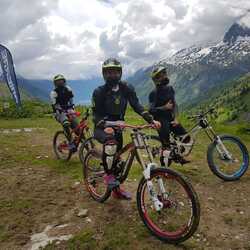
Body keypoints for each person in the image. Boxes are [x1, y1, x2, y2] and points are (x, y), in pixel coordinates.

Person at [92, 58, 160, 200]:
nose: (112, 75)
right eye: (109, 72)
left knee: (117, 159)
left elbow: (137, 106)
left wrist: (151, 119)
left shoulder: (126, 88)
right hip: (102, 128)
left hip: (119, 128)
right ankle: (108, 176)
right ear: (104, 74)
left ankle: (116, 190)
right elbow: (96, 115)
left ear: (120, 73)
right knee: (111, 145)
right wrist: (104, 126)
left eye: (115, 72)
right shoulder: (99, 92)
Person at [148, 64, 190, 166]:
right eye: (161, 75)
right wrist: (164, 108)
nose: (164, 76)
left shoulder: (170, 88)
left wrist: (176, 118)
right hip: (160, 121)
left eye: (164, 73)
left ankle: (177, 155)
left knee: (185, 138)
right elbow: (151, 110)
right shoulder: (154, 93)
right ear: (156, 79)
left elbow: (174, 104)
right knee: (166, 146)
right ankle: (165, 170)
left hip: (171, 119)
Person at [50, 74, 79, 152]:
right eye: (58, 81)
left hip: (68, 110)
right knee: (66, 123)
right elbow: (55, 105)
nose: (60, 82)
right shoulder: (54, 93)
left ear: (64, 81)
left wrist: (72, 108)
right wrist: (60, 110)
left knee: (77, 128)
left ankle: (78, 142)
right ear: (55, 83)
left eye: (61, 81)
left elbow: (71, 100)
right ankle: (70, 142)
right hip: (59, 112)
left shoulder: (68, 89)